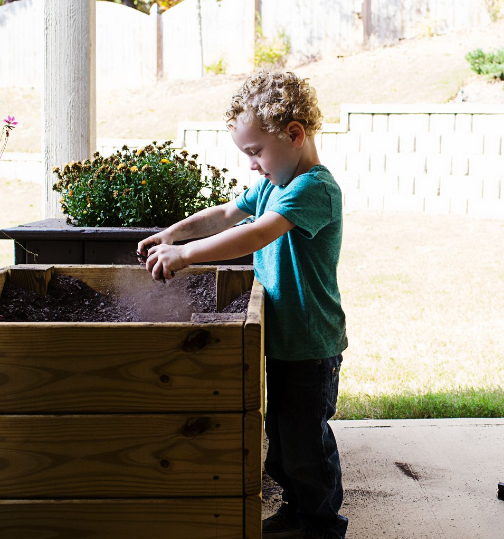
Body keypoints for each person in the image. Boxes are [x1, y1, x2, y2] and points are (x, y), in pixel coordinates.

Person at [137, 70, 348, 539]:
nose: (252, 165)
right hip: (284, 339)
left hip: (311, 343)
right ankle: (297, 510)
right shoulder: (274, 184)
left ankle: (322, 526)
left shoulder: (314, 189)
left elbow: (253, 233)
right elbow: (227, 214)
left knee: (305, 444)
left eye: (256, 152)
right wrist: (174, 233)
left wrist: (186, 256)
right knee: (283, 440)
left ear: (295, 135)